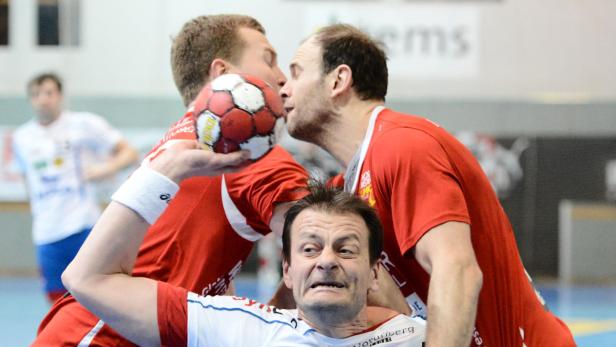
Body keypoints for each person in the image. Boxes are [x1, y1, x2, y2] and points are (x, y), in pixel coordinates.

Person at [279, 24, 575, 346]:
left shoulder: (402, 146)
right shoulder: (350, 186)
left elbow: (458, 269)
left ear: (338, 80)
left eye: (296, 73)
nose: (283, 88)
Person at [33, 15, 309, 345]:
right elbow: (326, 252)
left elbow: (205, 261)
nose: (281, 78)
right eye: (268, 59)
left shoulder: (184, 138)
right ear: (223, 75)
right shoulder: (242, 152)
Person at [60, 148, 426, 346]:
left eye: (345, 250)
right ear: (286, 269)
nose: (326, 261)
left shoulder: (418, 337)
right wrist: (163, 171)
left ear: (375, 271)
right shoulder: (238, 328)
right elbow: (87, 278)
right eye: (310, 250)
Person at [12, 73, 139, 303]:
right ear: (30, 99)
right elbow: (27, 181)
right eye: (37, 94)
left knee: (101, 299)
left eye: (49, 93)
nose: (43, 99)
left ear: (59, 95)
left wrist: (106, 168)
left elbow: (129, 153)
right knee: (58, 305)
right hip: (46, 233)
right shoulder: (22, 138)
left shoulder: (83, 124)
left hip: (83, 227)